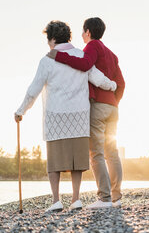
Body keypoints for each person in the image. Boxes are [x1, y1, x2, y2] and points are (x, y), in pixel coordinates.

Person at [15, 20, 117, 213]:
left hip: (56, 117)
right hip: (79, 117)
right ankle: (76, 199)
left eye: (48, 39)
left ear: (52, 39)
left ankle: (56, 200)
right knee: (76, 161)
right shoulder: (81, 54)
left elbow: (33, 90)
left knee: (55, 162)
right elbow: (98, 78)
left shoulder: (47, 60)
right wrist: (112, 85)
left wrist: (21, 111)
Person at [47, 17, 125, 209]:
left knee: (97, 153)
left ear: (88, 32)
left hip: (98, 105)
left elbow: (84, 65)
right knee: (112, 153)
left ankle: (104, 198)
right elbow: (121, 83)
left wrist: (57, 55)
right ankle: (116, 197)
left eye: (83, 31)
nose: (82, 35)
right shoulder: (112, 55)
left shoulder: (92, 47)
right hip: (112, 107)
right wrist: (114, 101)